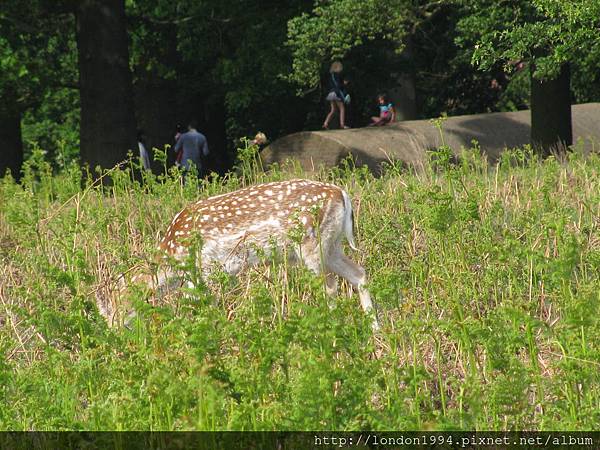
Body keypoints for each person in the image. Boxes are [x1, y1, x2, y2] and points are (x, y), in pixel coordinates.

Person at [322, 61, 350, 130]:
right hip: (336, 93)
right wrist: (344, 84)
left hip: (331, 93)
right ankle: (342, 125)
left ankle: (325, 123)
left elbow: (331, 85)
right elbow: (339, 86)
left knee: (333, 110)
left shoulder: (331, 76)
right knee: (342, 108)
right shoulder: (337, 75)